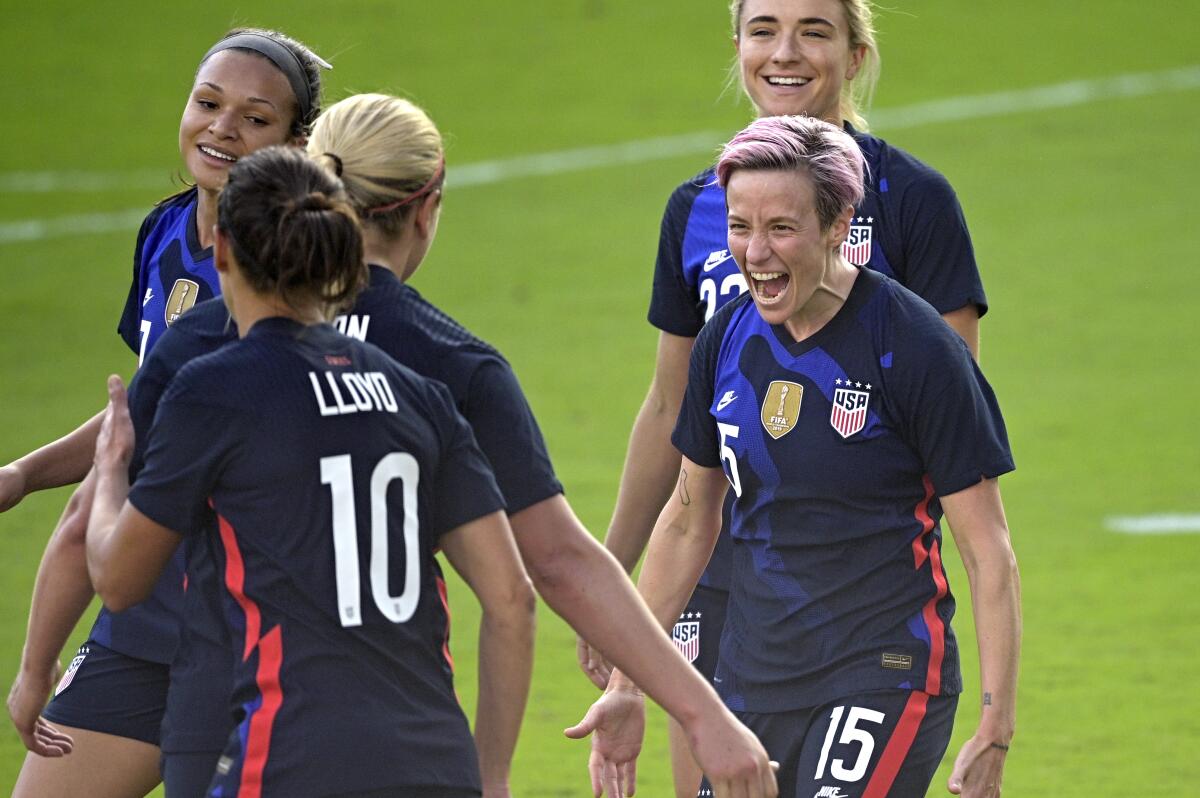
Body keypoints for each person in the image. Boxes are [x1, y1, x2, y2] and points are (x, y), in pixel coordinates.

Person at [149, 92, 775, 798]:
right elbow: (552, 566)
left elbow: (110, 543)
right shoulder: (448, 363)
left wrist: (38, 664)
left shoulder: (202, 346)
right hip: (406, 745)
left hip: (220, 725)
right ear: (427, 205)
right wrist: (702, 715)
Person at [584, 2, 990, 794]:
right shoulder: (696, 208)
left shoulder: (912, 199)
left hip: (847, 578)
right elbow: (669, 411)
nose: (785, 52)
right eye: (764, 28)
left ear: (857, 51)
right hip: (713, 559)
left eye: (814, 29)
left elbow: (956, 405)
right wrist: (613, 586)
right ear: (735, 45)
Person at [85, 145, 538, 797]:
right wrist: (489, 777)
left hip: (288, 758)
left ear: (220, 252)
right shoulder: (419, 393)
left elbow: (119, 580)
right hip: (435, 764)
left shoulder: (213, 390)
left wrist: (109, 473)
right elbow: (512, 597)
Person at [6, 28, 329, 798]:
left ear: (296, 141)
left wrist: (33, 663)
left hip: (254, 619)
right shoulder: (166, 232)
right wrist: (24, 475)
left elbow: (128, 462)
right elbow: (136, 411)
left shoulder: (299, 274)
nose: (221, 128)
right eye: (208, 103)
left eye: (254, 118)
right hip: (146, 606)